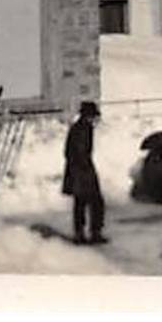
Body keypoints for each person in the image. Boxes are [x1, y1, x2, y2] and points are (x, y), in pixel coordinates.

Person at [62, 100, 106, 244]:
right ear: (88, 116)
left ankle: (81, 234)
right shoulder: (83, 129)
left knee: (81, 203)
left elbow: (69, 152)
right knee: (95, 202)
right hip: (82, 170)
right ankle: (93, 233)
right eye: (93, 116)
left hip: (78, 170)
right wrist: (86, 169)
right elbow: (79, 152)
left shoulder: (79, 127)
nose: (95, 119)